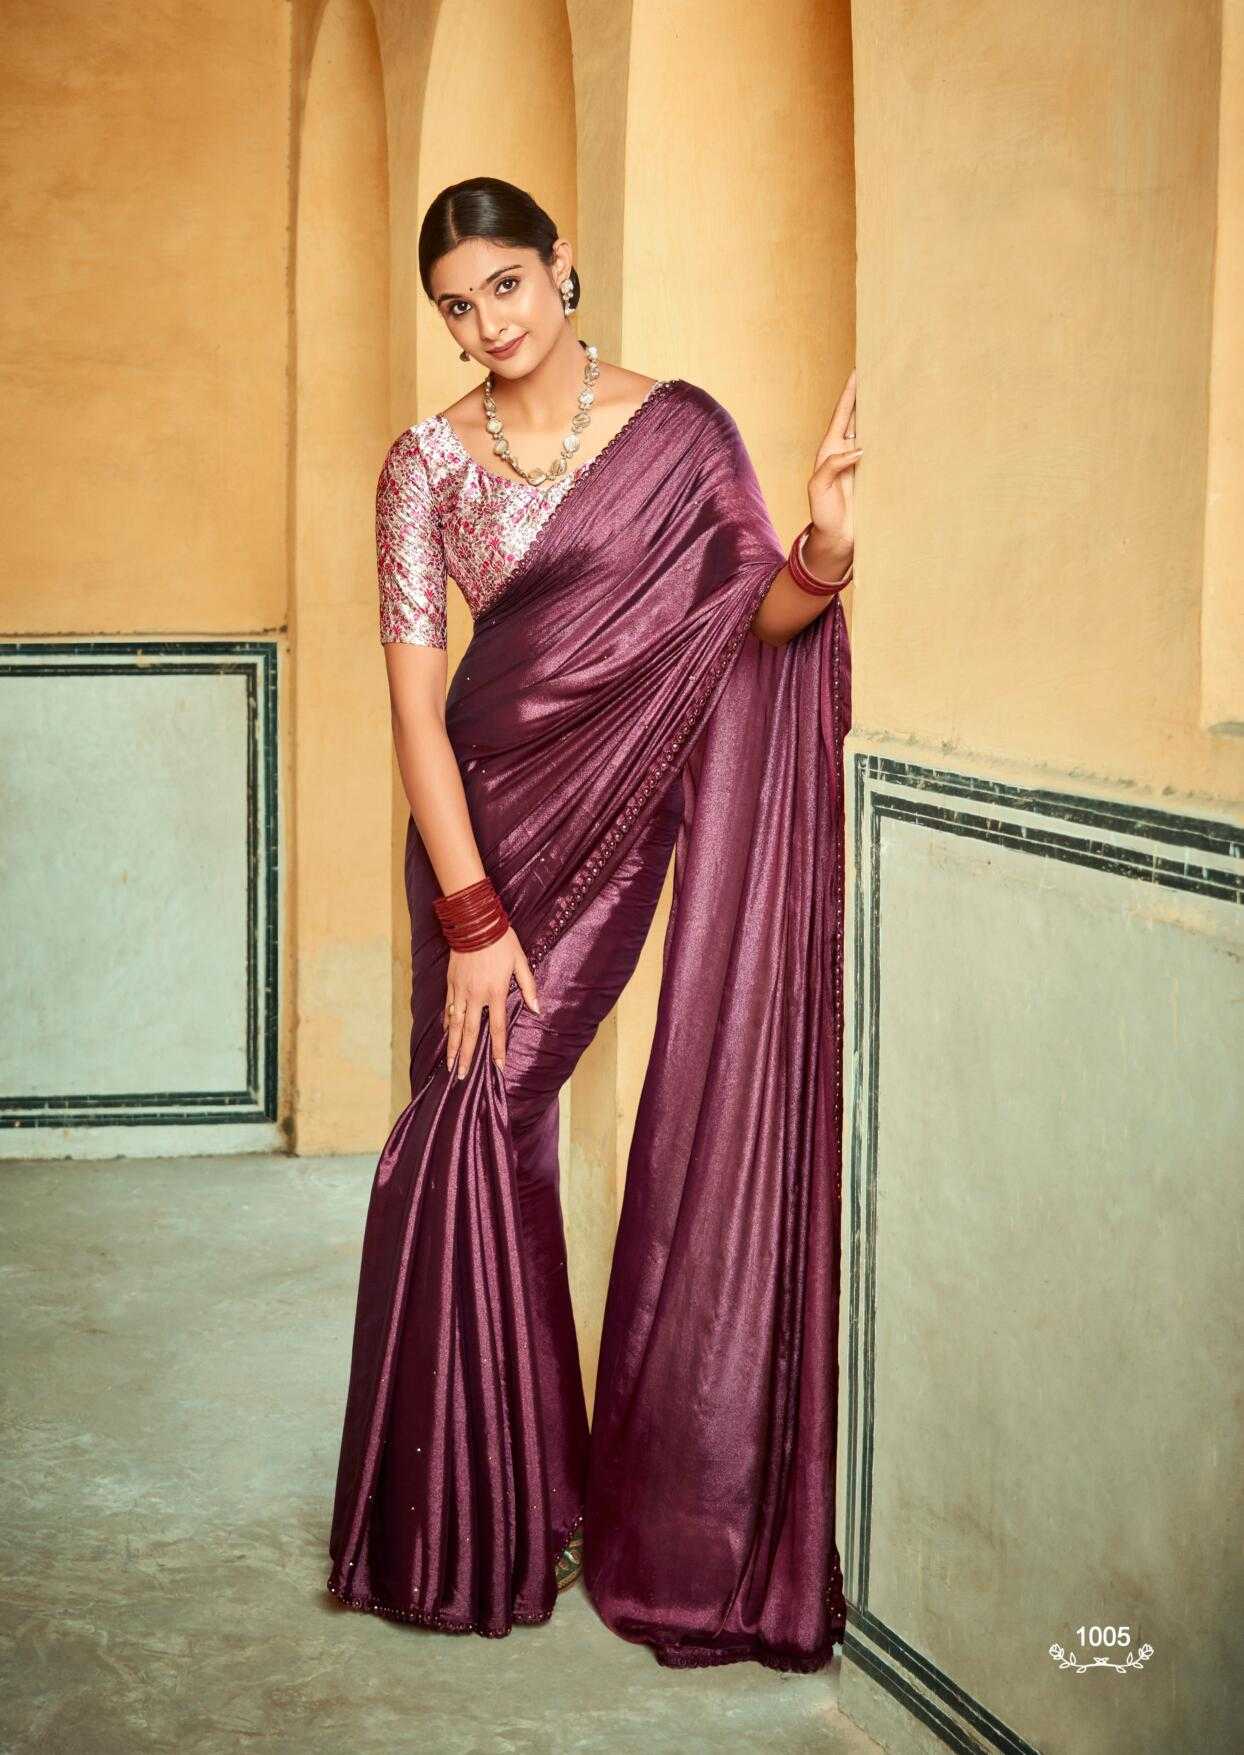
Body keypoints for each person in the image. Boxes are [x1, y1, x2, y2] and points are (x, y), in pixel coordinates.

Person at [326, 175, 859, 1674]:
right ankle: (493, 1506)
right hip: (475, 832)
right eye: (456, 305)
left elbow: (739, 633)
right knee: (471, 1125)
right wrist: (469, 912)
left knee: (490, 1107)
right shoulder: (423, 466)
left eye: (505, 285)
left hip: (616, 828)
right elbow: (416, 716)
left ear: (562, 269)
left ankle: (500, 1501)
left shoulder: (679, 434)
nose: (486, 324)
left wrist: (821, 551)